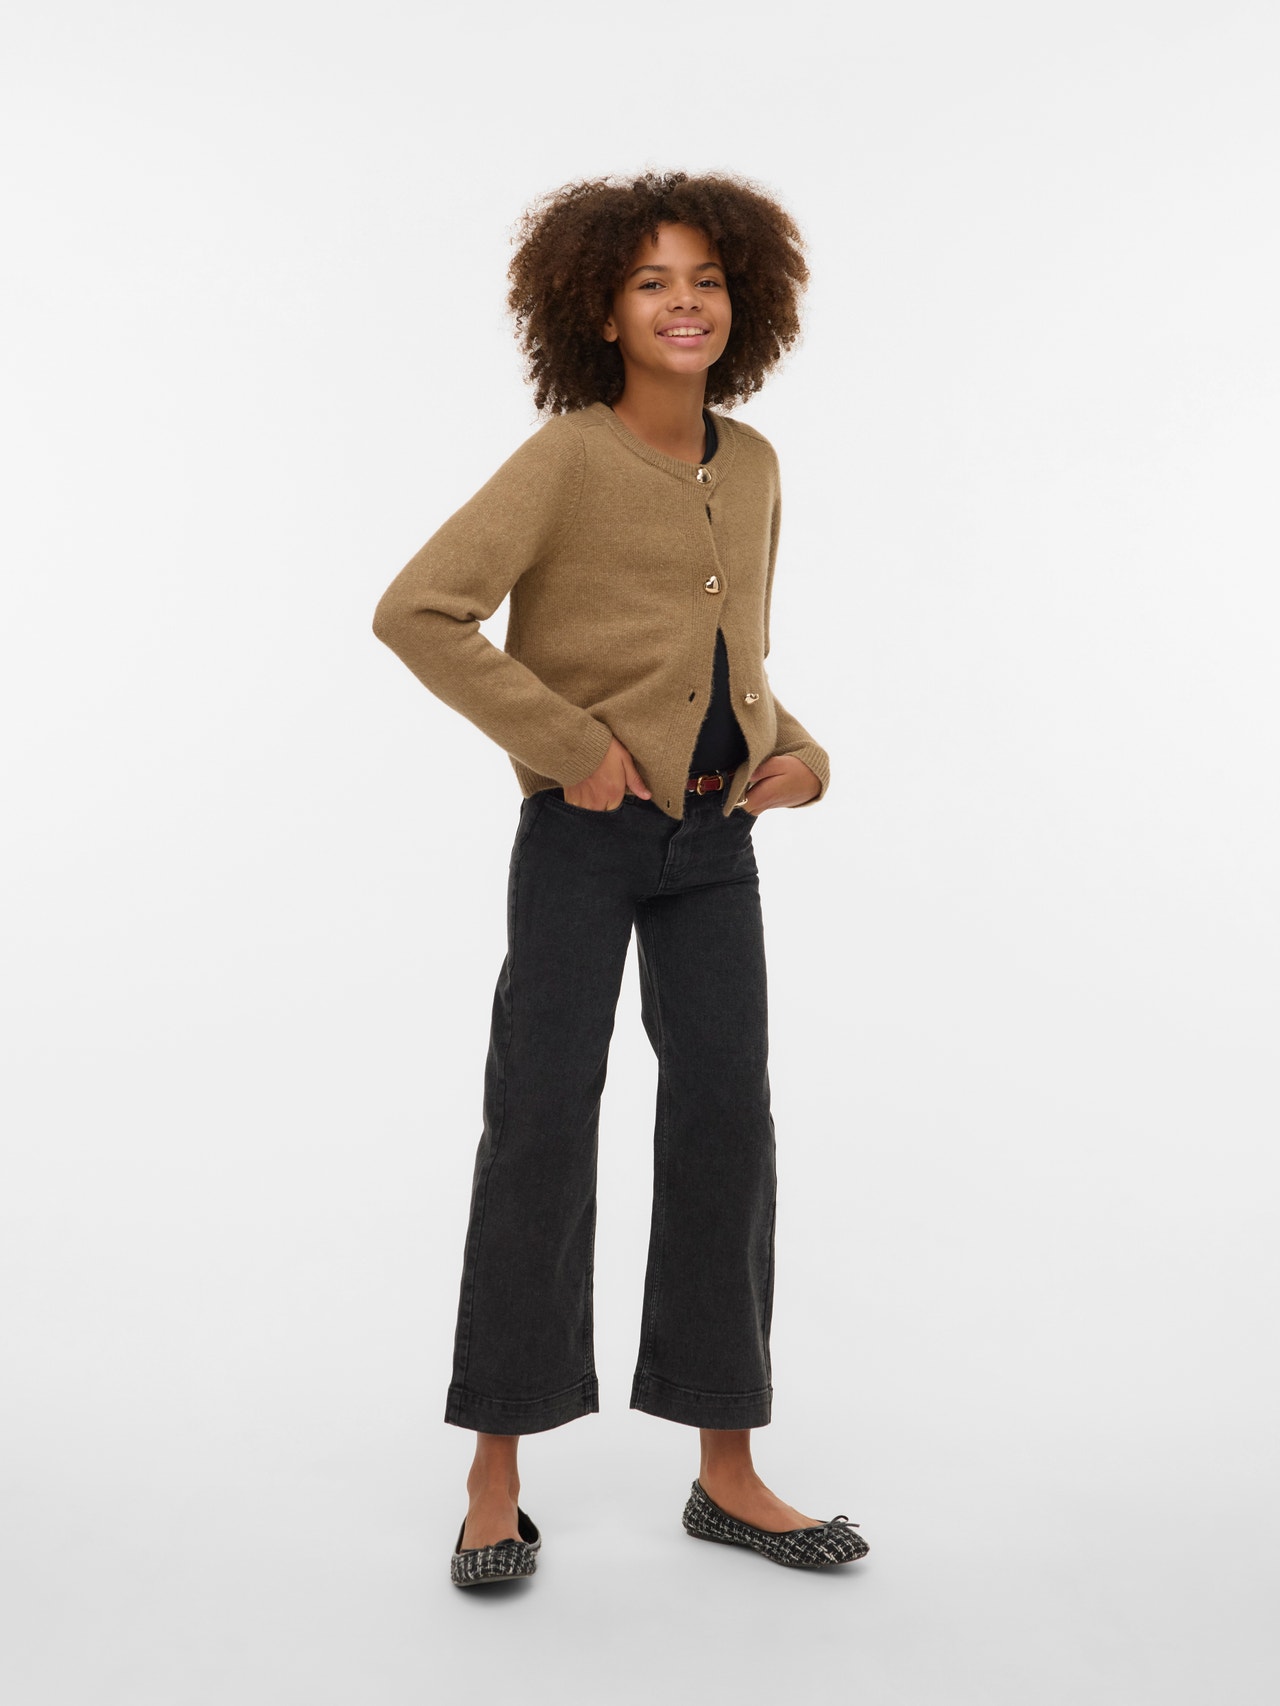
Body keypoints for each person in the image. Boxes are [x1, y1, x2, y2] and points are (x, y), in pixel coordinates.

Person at [372, 170, 869, 1585]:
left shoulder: (754, 464)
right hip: (583, 843)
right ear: (601, 308)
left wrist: (802, 756)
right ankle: (493, 1478)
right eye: (653, 282)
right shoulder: (569, 458)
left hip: (717, 849)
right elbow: (419, 610)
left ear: (744, 301)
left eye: (707, 279)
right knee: (540, 1124)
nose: (684, 302)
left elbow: (736, 664)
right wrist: (568, 746)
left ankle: (727, 1472)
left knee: (726, 1131)